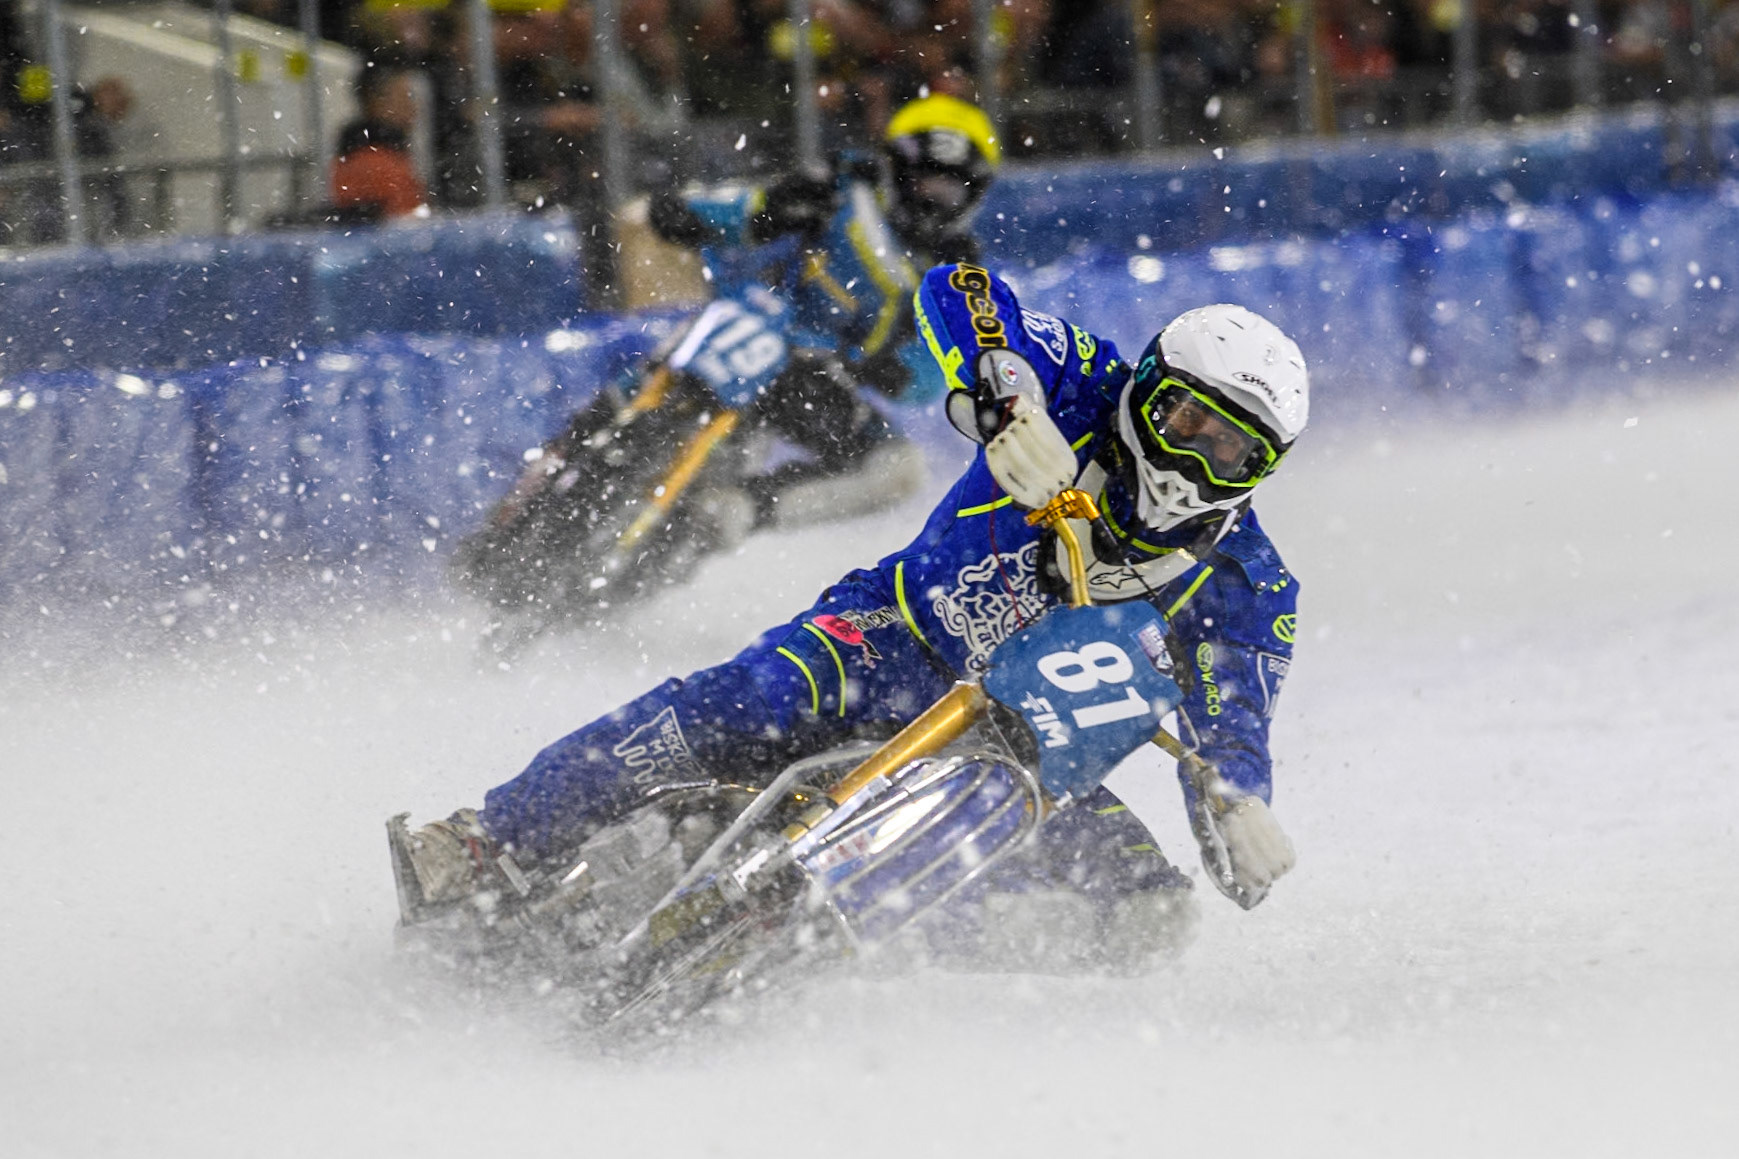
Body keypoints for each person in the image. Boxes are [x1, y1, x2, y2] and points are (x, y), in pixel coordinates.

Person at [394, 257, 1308, 974]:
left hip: (1025, 756)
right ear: (1146, 385)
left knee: (1141, 914)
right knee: (741, 702)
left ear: (1262, 471)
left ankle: (886, 968)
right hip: (896, 636)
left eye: (1233, 452)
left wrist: (1237, 810)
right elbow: (964, 288)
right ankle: (485, 840)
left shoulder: (1249, 587)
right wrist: (1005, 396)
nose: (1194, 460)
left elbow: (1233, 722)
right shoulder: (1081, 382)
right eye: (1185, 419)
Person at [637, 91, 1000, 532]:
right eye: (926, 179)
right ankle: (601, 429)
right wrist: (692, 216)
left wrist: (890, 366)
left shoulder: (957, 273)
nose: (933, 198)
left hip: (817, 372)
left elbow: (935, 371)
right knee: (647, 387)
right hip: (748, 320)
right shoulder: (842, 183)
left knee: (898, 468)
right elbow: (751, 213)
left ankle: (736, 511)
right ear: (896, 168)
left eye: (950, 187)